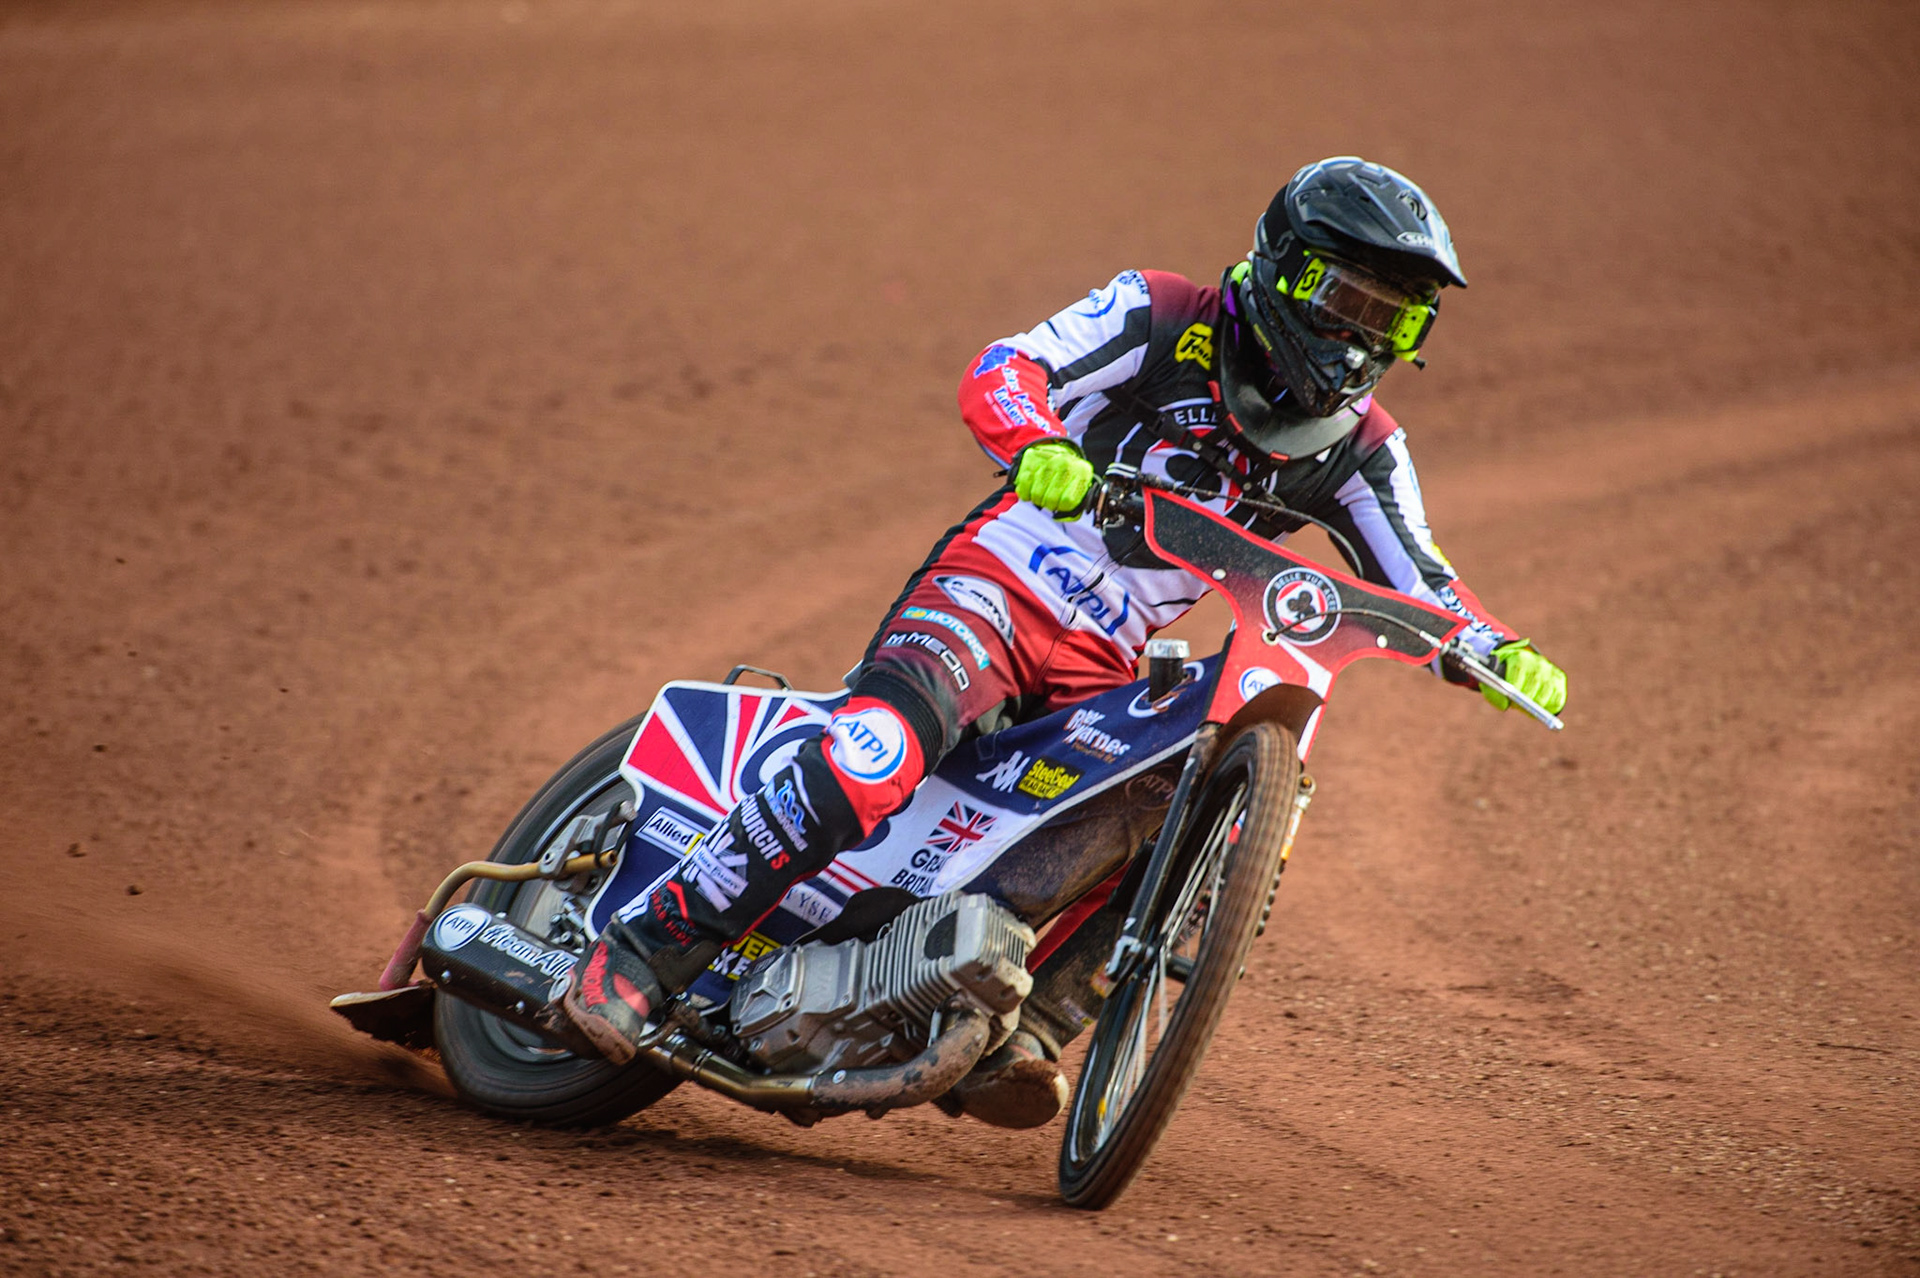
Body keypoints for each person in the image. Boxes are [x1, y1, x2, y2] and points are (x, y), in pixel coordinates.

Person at [562, 157, 1568, 1126]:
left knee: (1172, 801)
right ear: (1284, 270)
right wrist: (1038, 443)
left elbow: (1423, 582)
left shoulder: (1363, 450)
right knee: (877, 754)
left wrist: (1497, 649)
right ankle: (646, 951)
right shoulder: (1162, 311)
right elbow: (1007, 368)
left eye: (1395, 319)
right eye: (1349, 302)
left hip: (1102, 657)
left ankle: (1026, 1030)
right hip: (996, 586)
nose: (1362, 339)